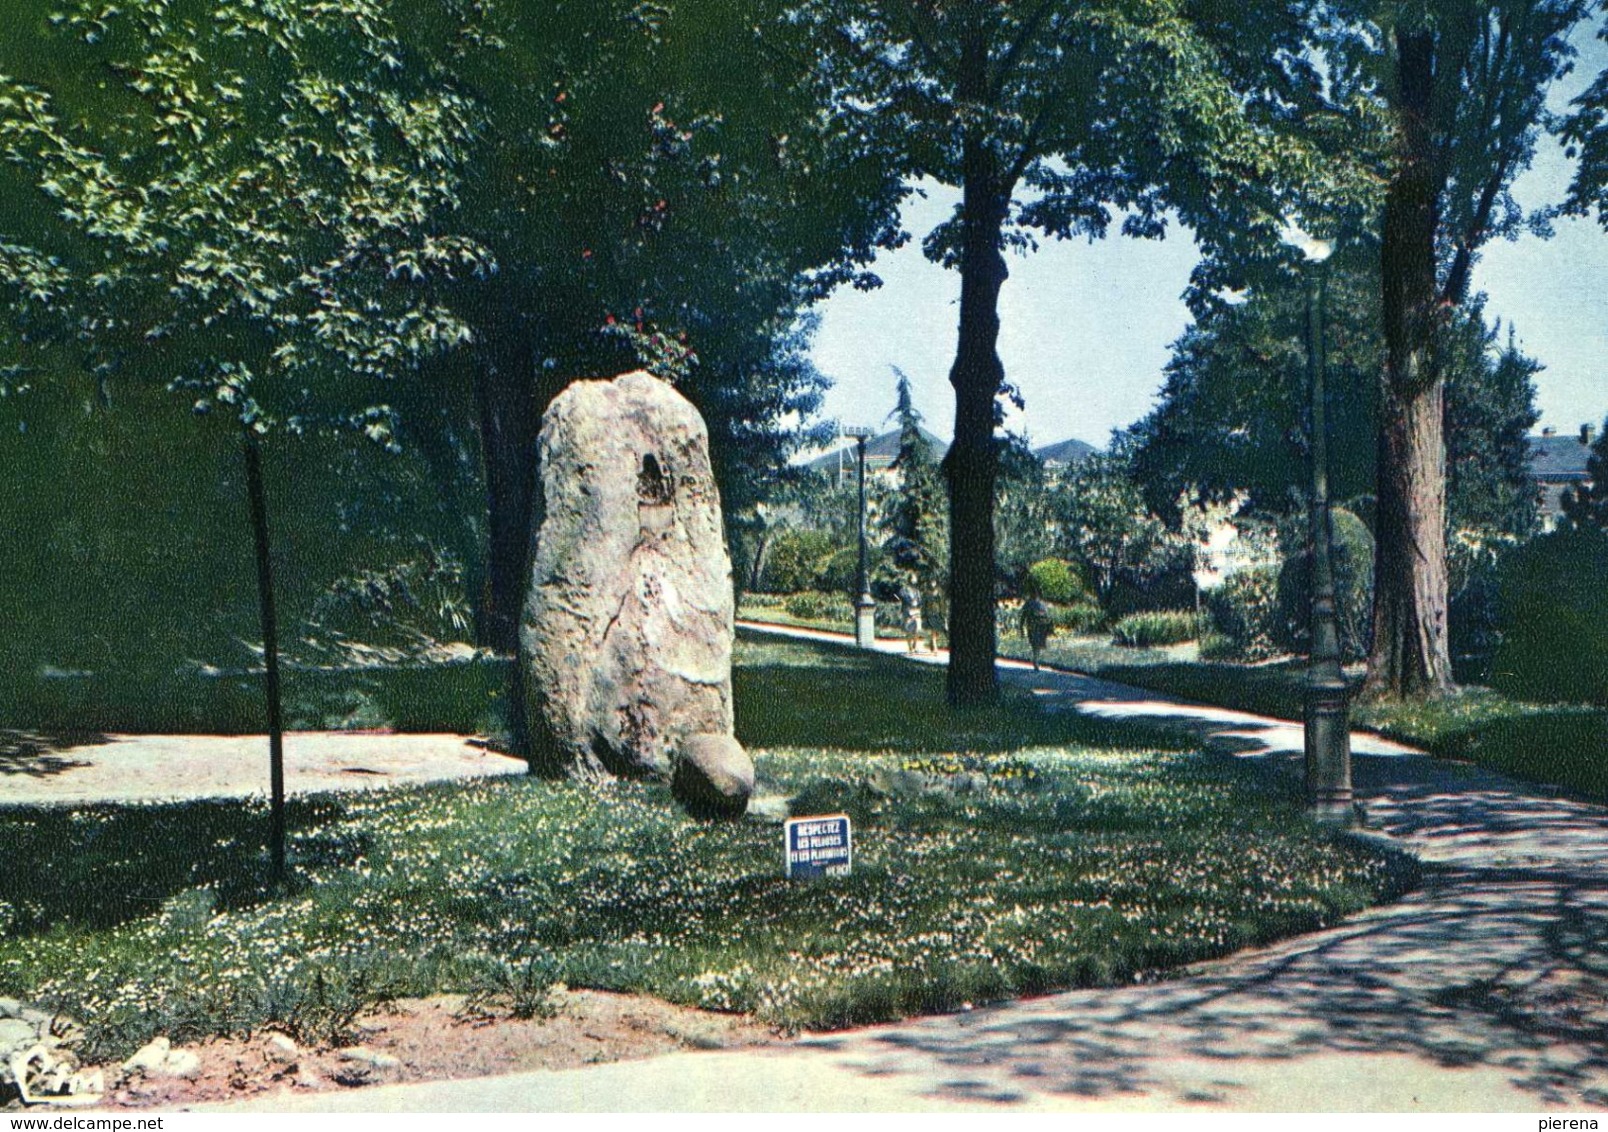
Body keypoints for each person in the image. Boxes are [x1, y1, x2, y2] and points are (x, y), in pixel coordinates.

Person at [1021, 592, 1054, 670]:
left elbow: (1046, 616)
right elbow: (1023, 616)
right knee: (1035, 644)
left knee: (1036, 645)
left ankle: (1036, 661)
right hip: (1034, 626)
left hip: (1039, 626)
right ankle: (1036, 661)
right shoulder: (1031, 604)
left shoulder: (1039, 604)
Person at [897, 576, 923, 654]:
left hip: (916, 611)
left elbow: (920, 600)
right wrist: (910, 602)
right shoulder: (904, 590)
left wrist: (917, 603)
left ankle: (915, 646)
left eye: (915, 580)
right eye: (913, 580)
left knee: (917, 630)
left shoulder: (917, 591)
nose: (914, 582)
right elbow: (901, 596)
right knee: (908, 629)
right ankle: (910, 647)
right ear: (909, 580)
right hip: (907, 611)